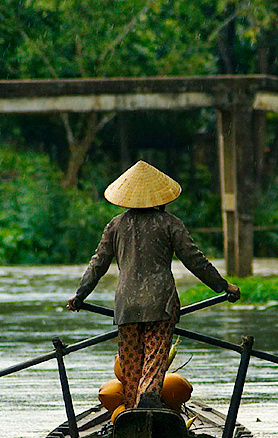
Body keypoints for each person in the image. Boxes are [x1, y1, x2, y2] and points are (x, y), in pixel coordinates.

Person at [67, 160, 240, 410]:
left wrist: (79, 295)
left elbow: (98, 264)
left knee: (130, 366)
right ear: (161, 198)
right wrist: (223, 286)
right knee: (154, 359)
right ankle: (148, 399)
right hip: (160, 304)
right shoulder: (170, 223)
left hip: (126, 306)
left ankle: (132, 409)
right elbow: (195, 261)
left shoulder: (115, 226)